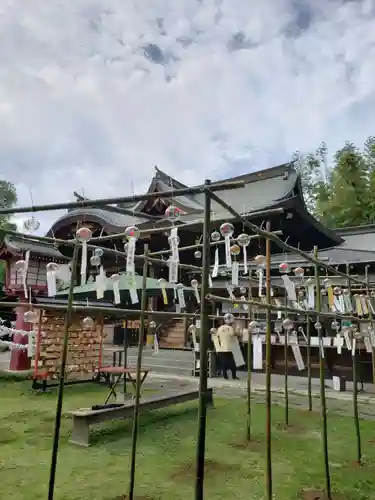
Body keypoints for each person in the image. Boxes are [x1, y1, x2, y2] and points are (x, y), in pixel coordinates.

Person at [216, 315, 239, 380]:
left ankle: (225, 376)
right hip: (230, 348)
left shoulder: (220, 328)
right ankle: (234, 376)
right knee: (233, 363)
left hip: (222, 348)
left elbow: (217, 336)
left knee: (224, 363)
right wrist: (238, 331)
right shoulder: (230, 328)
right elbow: (232, 335)